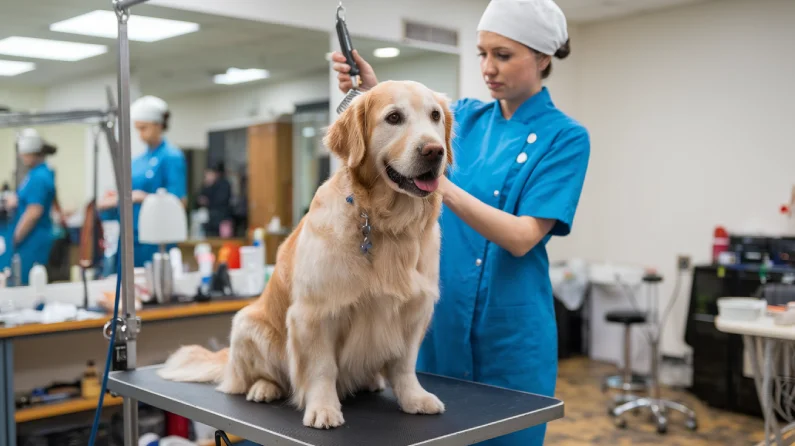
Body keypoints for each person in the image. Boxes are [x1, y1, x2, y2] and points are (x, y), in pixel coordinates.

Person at [332, 1, 589, 444]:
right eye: (482, 54)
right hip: (439, 323)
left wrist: (431, 181)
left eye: (503, 55)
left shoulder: (565, 137)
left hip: (509, 333)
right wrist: (373, 90)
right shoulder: (462, 117)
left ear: (543, 59)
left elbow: (523, 237)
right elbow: (406, 119)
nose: (489, 68)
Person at [98, 95, 187, 268]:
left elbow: (178, 202)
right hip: (130, 237)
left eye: (144, 128)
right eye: (137, 129)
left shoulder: (171, 157)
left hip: (156, 240)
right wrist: (113, 199)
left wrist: (142, 197)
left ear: (158, 125)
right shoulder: (137, 161)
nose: (140, 134)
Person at [1, 129, 58, 285]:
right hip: (33, 239)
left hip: (31, 241)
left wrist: (15, 237)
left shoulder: (39, 177)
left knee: (27, 283)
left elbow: (34, 211)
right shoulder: (39, 173)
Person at [196, 162, 233, 237]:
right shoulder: (206, 185)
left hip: (222, 220)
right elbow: (199, 199)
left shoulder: (224, 184)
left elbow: (221, 200)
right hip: (209, 221)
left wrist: (208, 201)